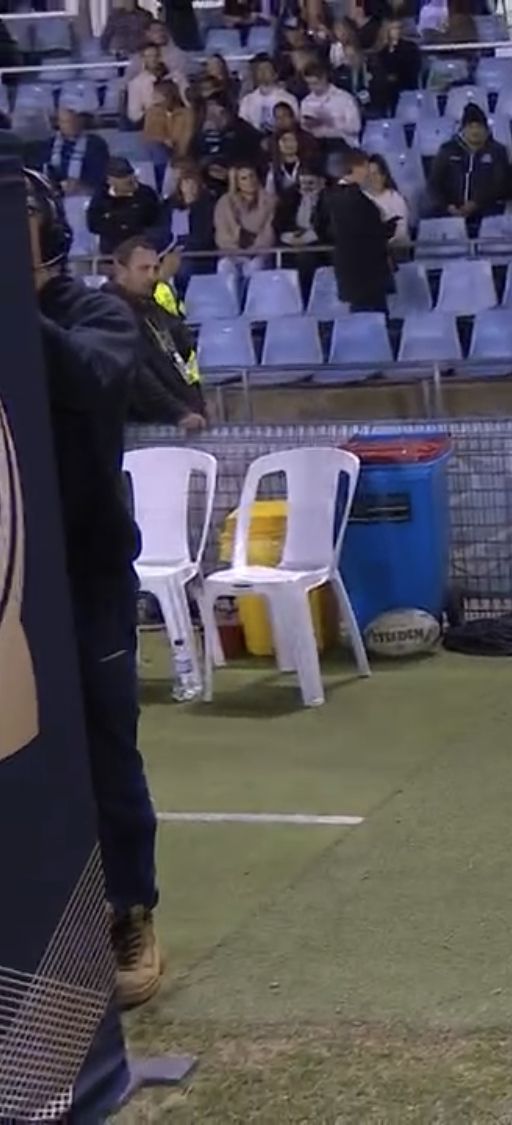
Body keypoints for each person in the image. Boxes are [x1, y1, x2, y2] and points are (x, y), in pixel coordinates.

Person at [25, 170, 166, 1010]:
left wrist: (15, 311)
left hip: (86, 573)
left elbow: (91, 378)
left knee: (106, 745)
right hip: (11, 578)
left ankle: (128, 910)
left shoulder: (98, 315)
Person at [109, 238, 206, 430]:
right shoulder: (109, 313)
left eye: (155, 269)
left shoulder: (156, 310)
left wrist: (198, 401)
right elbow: (136, 375)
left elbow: (184, 357)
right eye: (143, 269)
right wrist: (178, 413)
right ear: (121, 270)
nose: (152, 276)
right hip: (141, 427)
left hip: (178, 420)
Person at [317, 150, 397, 313]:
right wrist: (388, 228)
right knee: (373, 317)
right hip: (367, 270)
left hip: (347, 267)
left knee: (361, 316)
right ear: (355, 168)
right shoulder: (356, 198)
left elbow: (320, 226)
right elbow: (368, 232)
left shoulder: (329, 195)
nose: (368, 172)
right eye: (365, 167)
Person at [432, 104, 510, 237]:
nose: (475, 131)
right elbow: (434, 183)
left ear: (486, 129)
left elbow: (500, 184)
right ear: (463, 129)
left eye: (479, 126)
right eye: (470, 127)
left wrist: (476, 203)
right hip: (451, 211)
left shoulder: (497, 151)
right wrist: (448, 206)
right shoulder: (447, 150)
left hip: (487, 210)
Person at [87, 158, 163, 258]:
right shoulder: (101, 197)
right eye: (121, 176)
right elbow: (93, 224)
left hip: (141, 249)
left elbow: (156, 221)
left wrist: (117, 219)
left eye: (129, 174)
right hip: (111, 251)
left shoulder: (146, 194)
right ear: (110, 180)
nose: (128, 179)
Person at [216, 162, 280, 271]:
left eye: (252, 176)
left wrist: (253, 250)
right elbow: (223, 234)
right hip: (232, 253)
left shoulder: (270, 202)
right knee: (225, 266)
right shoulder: (225, 202)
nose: (249, 181)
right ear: (237, 182)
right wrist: (238, 249)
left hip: (260, 253)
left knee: (255, 266)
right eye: (244, 178)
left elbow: (269, 233)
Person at [159, 160, 217, 275]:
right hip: (170, 249)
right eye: (186, 182)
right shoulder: (170, 205)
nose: (190, 187)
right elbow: (163, 231)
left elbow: (204, 237)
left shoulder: (208, 206)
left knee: (182, 267)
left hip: (196, 255)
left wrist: (193, 206)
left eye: (193, 183)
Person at [40, 109, 110, 197]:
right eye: (66, 122)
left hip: (86, 194)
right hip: (56, 192)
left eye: (74, 121)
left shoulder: (95, 144)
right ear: (59, 124)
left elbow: (100, 172)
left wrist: (81, 185)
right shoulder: (49, 144)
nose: (71, 125)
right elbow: (44, 169)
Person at [299, 64, 362, 147]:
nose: (312, 87)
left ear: (324, 79)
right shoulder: (306, 102)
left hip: (342, 143)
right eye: (309, 84)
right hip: (316, 144)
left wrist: (331, 122)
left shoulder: (344, 98)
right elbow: (303, 128)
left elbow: (355, 127)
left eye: (315, 83)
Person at [239, 54, 298, 131]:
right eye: (260, 69)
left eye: (266, 69)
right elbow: (242, 125)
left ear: (275, 74)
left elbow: (294, 123)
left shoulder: (288, 98)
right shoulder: (247, 100)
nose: (263, 72)